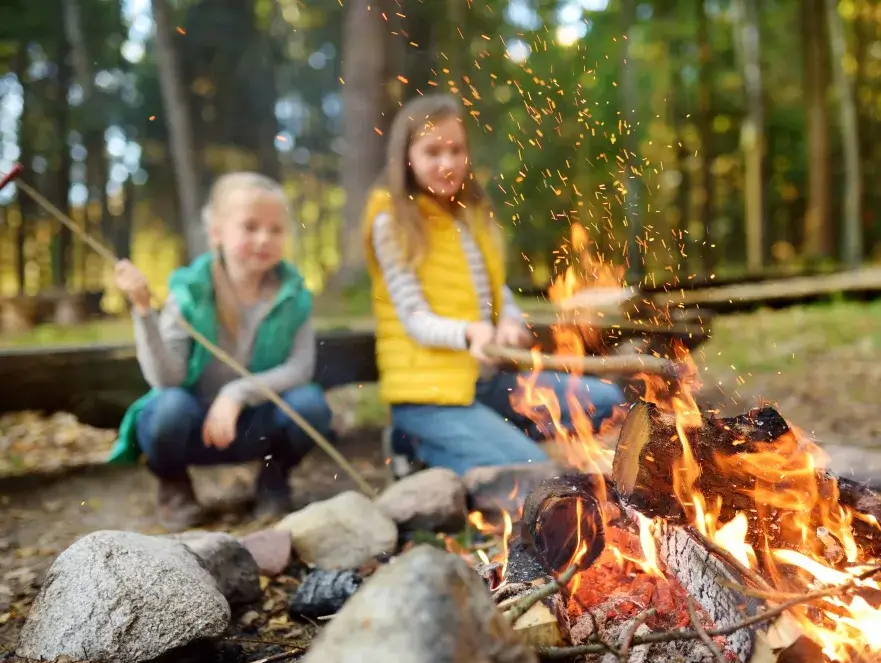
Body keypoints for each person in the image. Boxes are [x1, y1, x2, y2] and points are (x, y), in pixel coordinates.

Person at [363, 93, 626, 477]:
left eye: (456, 150)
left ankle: (479, 436)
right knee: (532, 470)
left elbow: (495, 289)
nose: (446, 163)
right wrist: (468, 333)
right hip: (429, 394)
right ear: (407, 156)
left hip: (486, 383)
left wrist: (510, 323)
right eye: (432, 152)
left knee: (608, 402)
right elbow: (413, 317)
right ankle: (418, 442)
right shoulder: (393, 222)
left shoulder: (471, 215)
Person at [108, 171, 333, 531]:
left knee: (309, 404)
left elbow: (300, 367)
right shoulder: (190, 294)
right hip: (195, 427)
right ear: (217, 232)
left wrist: (236, 393)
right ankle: (174, 485)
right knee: (167, 407)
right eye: (250, 226)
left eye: (275, 229)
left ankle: (273, 480)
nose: (264, 238)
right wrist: (144, 311)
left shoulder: (294, 296)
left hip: (253, 425)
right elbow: (168, 378)